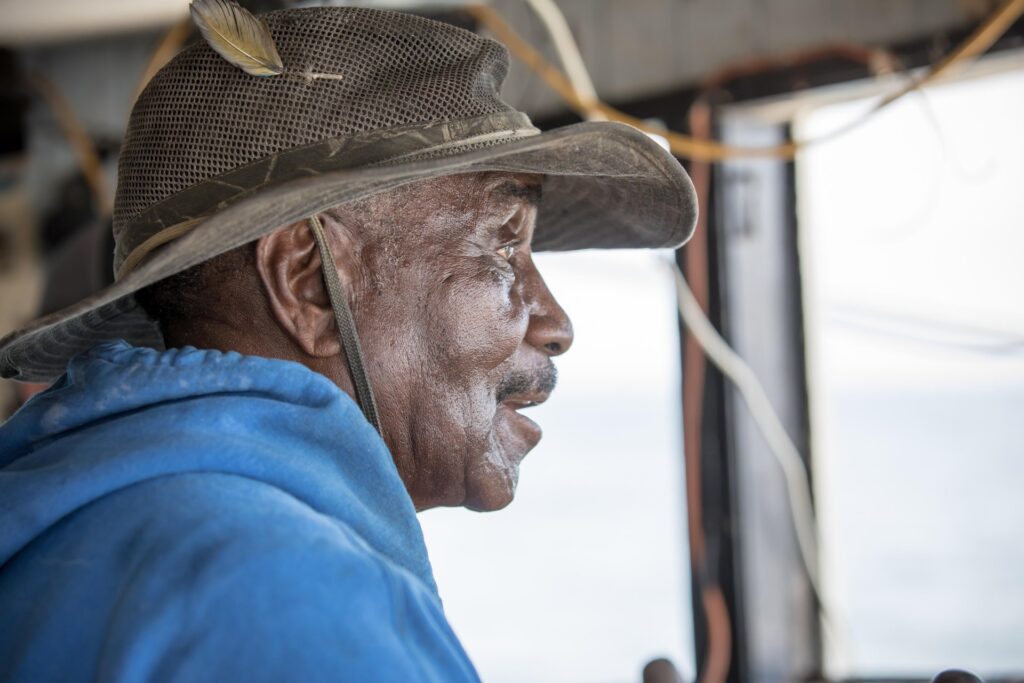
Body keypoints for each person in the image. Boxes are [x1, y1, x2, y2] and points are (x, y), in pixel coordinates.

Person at [0, 3, 696, 681]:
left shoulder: (83, 530)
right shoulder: (287, 592)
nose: (556, 322)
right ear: (306, 280)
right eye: (504, 246)